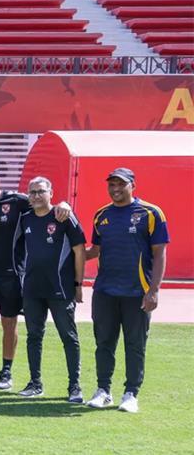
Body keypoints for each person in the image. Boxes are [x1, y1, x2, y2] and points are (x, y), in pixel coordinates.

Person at [0, 163, 71, 390]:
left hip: (12, 275)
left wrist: (64, 203)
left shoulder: (17, 201)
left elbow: (44, 203)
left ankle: (6, 372)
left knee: (9, 323)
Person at [85, 168, 168, 413]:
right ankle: (103, 391)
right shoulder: (101, 215)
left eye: (121, 184)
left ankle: (131, 394)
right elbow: (94, 251)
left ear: (133, 185)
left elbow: (160, 253)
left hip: (137, 293)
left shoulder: (151, 213)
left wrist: (154, 290)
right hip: (105, 291)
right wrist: (68, 252)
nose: (115, 189)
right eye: (111, 184)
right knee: (104, 343)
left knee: (135, 345)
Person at [14, 177, 85, 401]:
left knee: (68, 337)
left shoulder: (64, 216)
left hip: (60, 289)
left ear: (51, 193)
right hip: (32, 290)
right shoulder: (25, 219)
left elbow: (80, 251)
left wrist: (78, 284)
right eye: (32, 192)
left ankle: (75, 387)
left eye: (41, 191)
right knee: (34, 336)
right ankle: (35, 383)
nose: (36, 196)